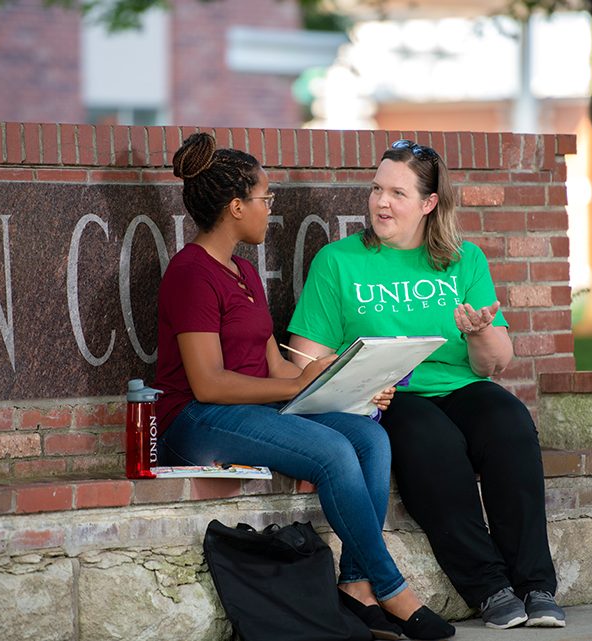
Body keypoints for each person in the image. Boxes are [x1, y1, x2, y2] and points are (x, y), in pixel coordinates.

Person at [153, 132, 456, 641]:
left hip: (251, 412)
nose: (269, 209)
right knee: (333, 452)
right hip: (195, 421)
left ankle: (356, 586)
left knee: (369, 436)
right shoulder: (191, 274)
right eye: (264, 198)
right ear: (235, 207)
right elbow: (207, 384)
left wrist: (341, 382)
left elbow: (276, 367)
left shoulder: (243, 271)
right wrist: (295, 386)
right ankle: (393, 590)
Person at [287, 139, 566, 630]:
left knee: (510, 423)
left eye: (397, 193)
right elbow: (303, 360)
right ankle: (490, 588)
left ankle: (536, 585)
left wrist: (479, 333)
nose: (381, 202)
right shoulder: (338, 261)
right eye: (377, 189)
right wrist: (357, 378)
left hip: (459, 385)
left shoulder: (463, 259)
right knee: (431, 440)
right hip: (390, 395)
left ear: (429, 203)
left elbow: (495, 363)